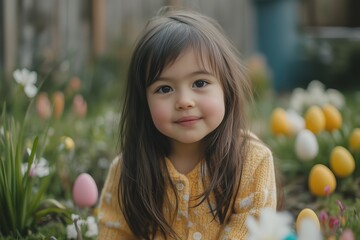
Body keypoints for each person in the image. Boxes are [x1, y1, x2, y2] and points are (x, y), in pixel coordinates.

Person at [97, 7, 277, 240]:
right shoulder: (127, 169)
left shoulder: (252, 161)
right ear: (144, 102)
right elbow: (114, 232)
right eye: (164, 88)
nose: (184, 101)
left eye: (200, 83)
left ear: (226, 87)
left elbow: (253, 232)